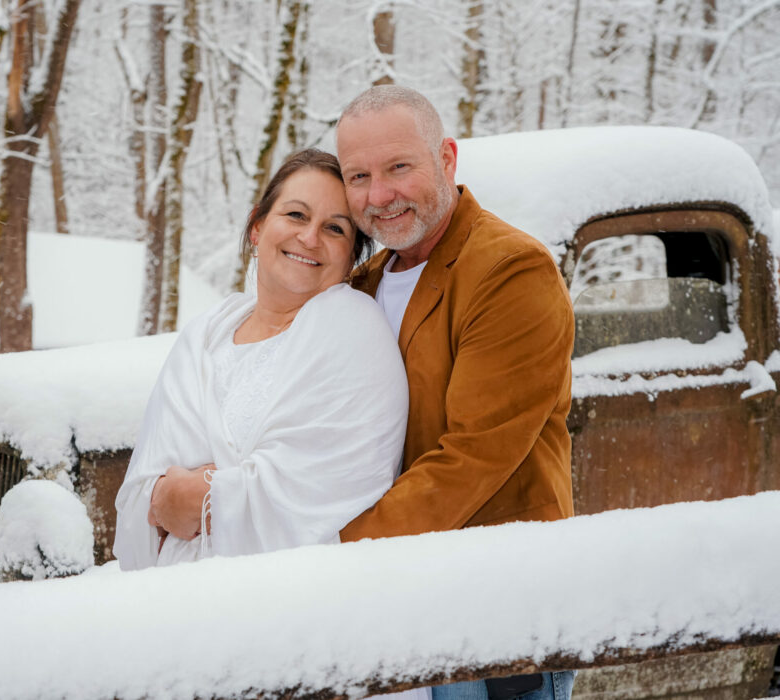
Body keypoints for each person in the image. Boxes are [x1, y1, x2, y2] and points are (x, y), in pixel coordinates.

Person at [335, 86, 576, 700]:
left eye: (398, 167)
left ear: (447, 157)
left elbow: (472, 456)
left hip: (493, 615)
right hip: (395, 612)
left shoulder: (509, 269)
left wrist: (328, 555)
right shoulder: (357, 286)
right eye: (358, 176)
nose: (378, 195)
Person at [112, 148, 409, 569]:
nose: (309, 238)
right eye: (295, 215)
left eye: (335, 229)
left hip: (281, 597)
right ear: (257, 226)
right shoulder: (205, 335)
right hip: (166, 591)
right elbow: (142, 491)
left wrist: (203, 496)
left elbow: (326, 486)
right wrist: (172, 495)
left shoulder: (353, 330)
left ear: (350, 259)